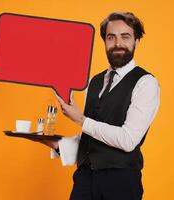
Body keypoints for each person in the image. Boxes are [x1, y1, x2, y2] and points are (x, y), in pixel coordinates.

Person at [38, 11, 160, 200]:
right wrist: (57, 144)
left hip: (121, 184)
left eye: (125, 37)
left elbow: (128, 140)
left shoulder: (146, 83)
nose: (118, 44)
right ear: (104, 42)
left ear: (136, 41)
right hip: (85, 181)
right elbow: (92, 139)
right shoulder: (95, 82)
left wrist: (80, 118)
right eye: (111, 37)